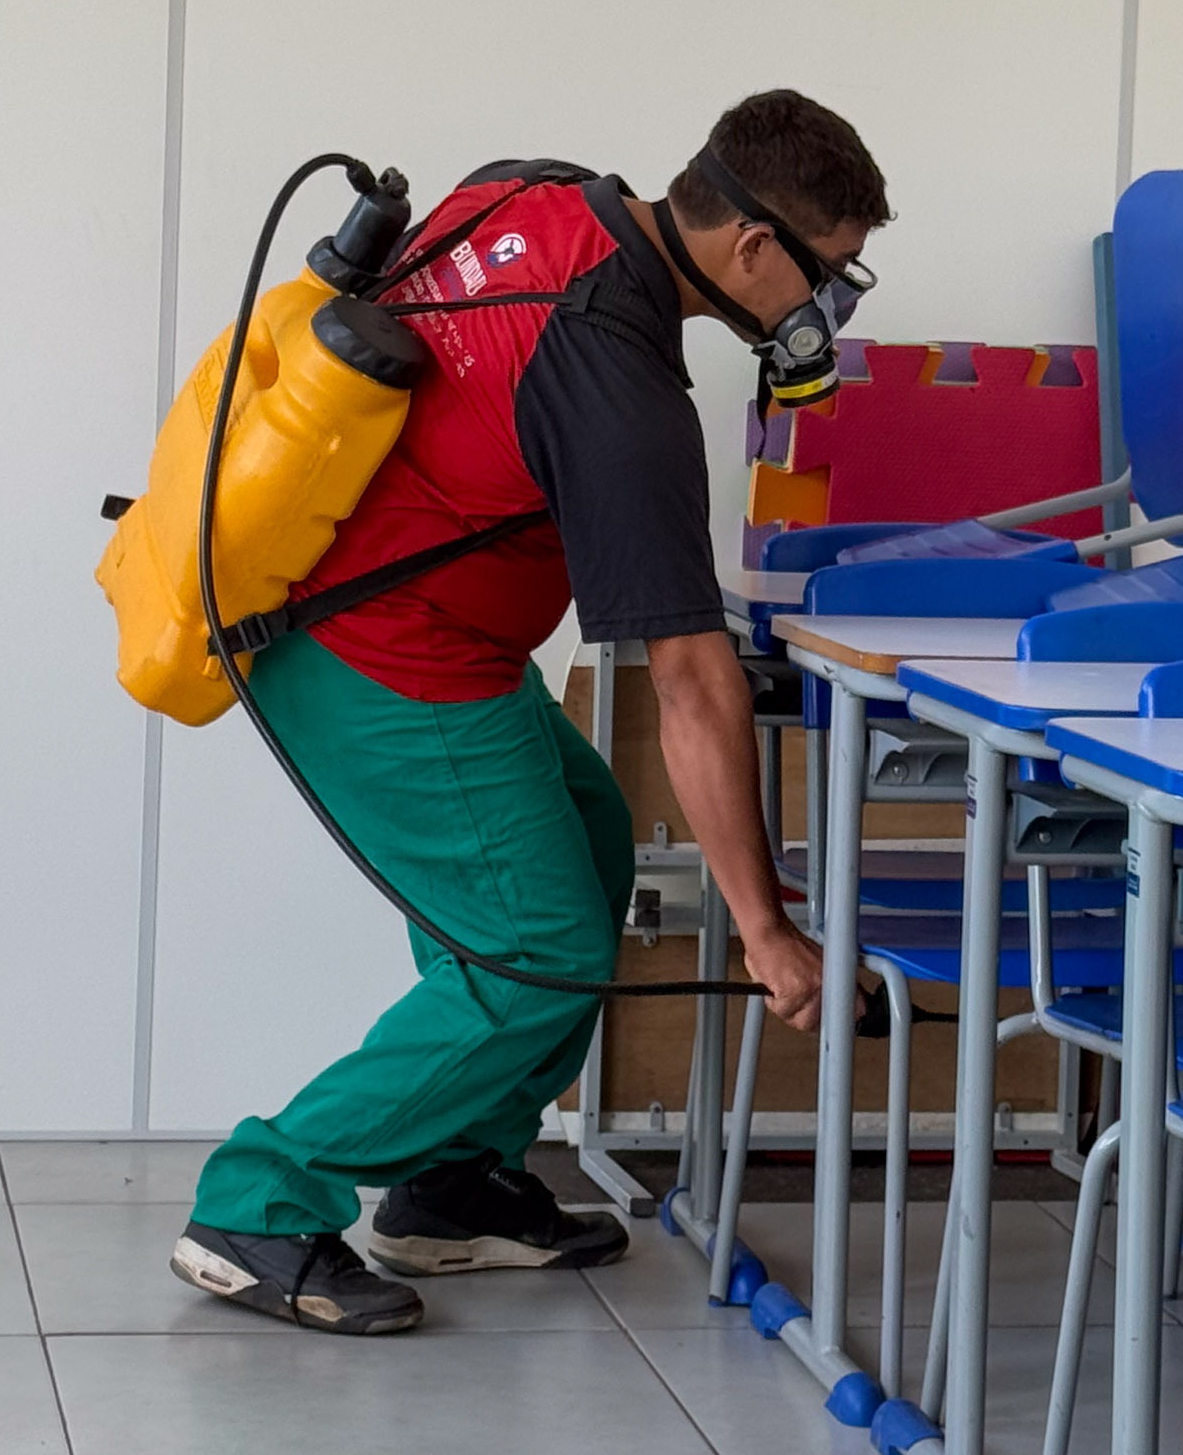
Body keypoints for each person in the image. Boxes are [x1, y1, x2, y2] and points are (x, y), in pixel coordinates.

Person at [172, 89, 893, 1334]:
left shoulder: (543, 190)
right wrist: (765, 928)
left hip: (418, 627)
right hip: (371, 652)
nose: (826, 310)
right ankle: (257, 1202)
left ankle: (451, 1187)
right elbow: (688, 679)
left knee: (591, 838)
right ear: (752, 248)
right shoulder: (618, 389)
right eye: (831, 277)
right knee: (537, 946)